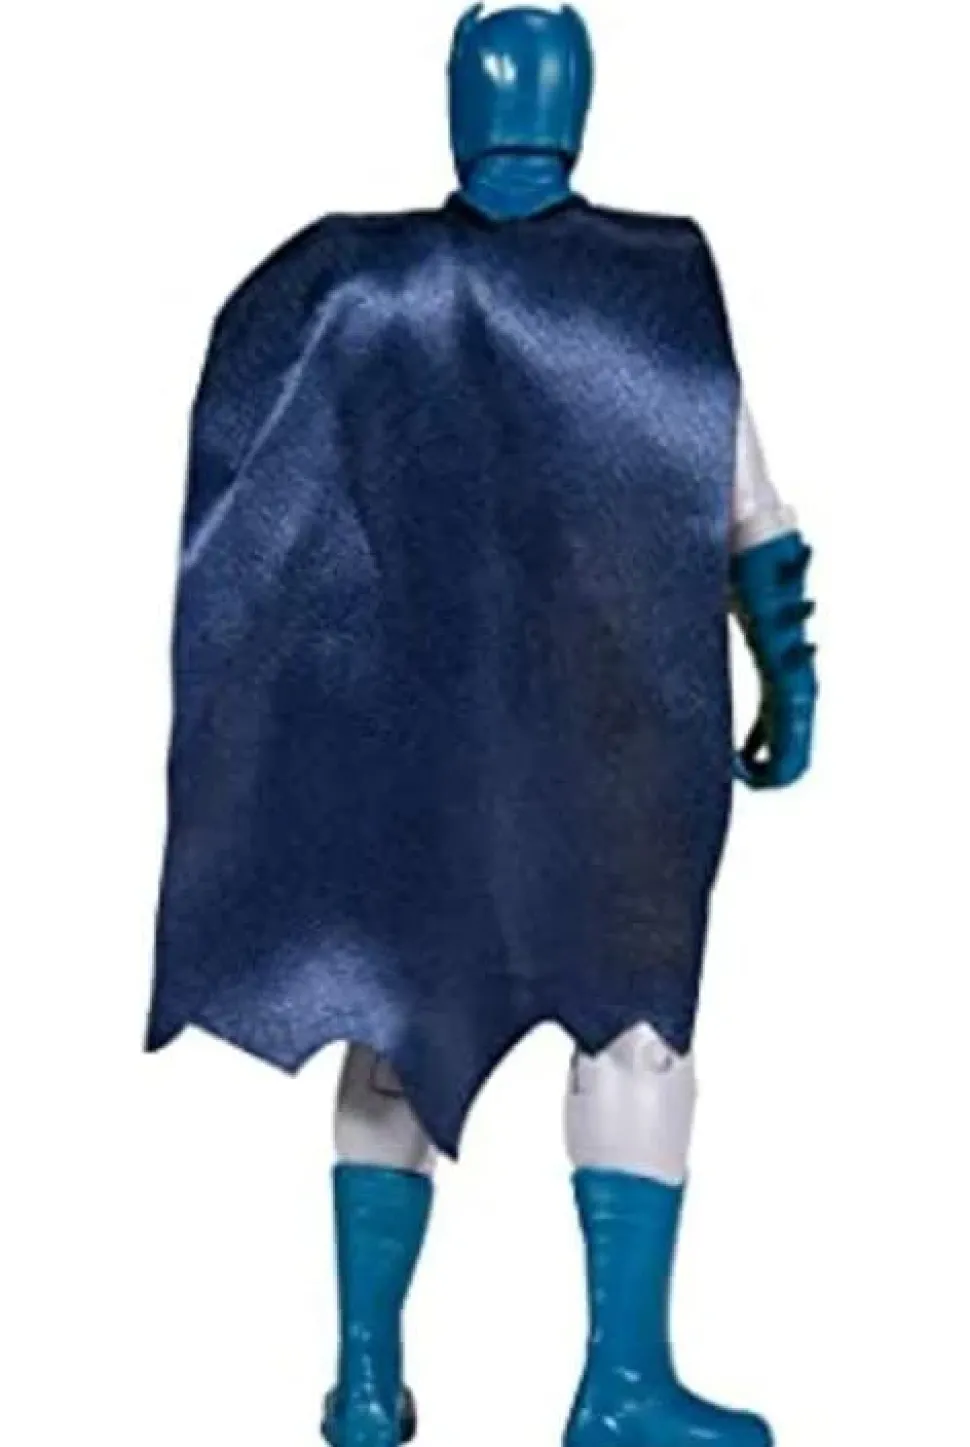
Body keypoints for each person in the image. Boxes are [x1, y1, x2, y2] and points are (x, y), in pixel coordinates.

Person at [148, 8, 817, 1446]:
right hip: (613, 737)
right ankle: (620, 1385)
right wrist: (790, 688)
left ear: (463, 103)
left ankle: (366, 1385)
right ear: (576, 105)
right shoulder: (651, 286)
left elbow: (256, 502)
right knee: (635, 1030)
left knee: (390, 1022)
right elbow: (752, 520)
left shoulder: (352, 286)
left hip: (412, 735)